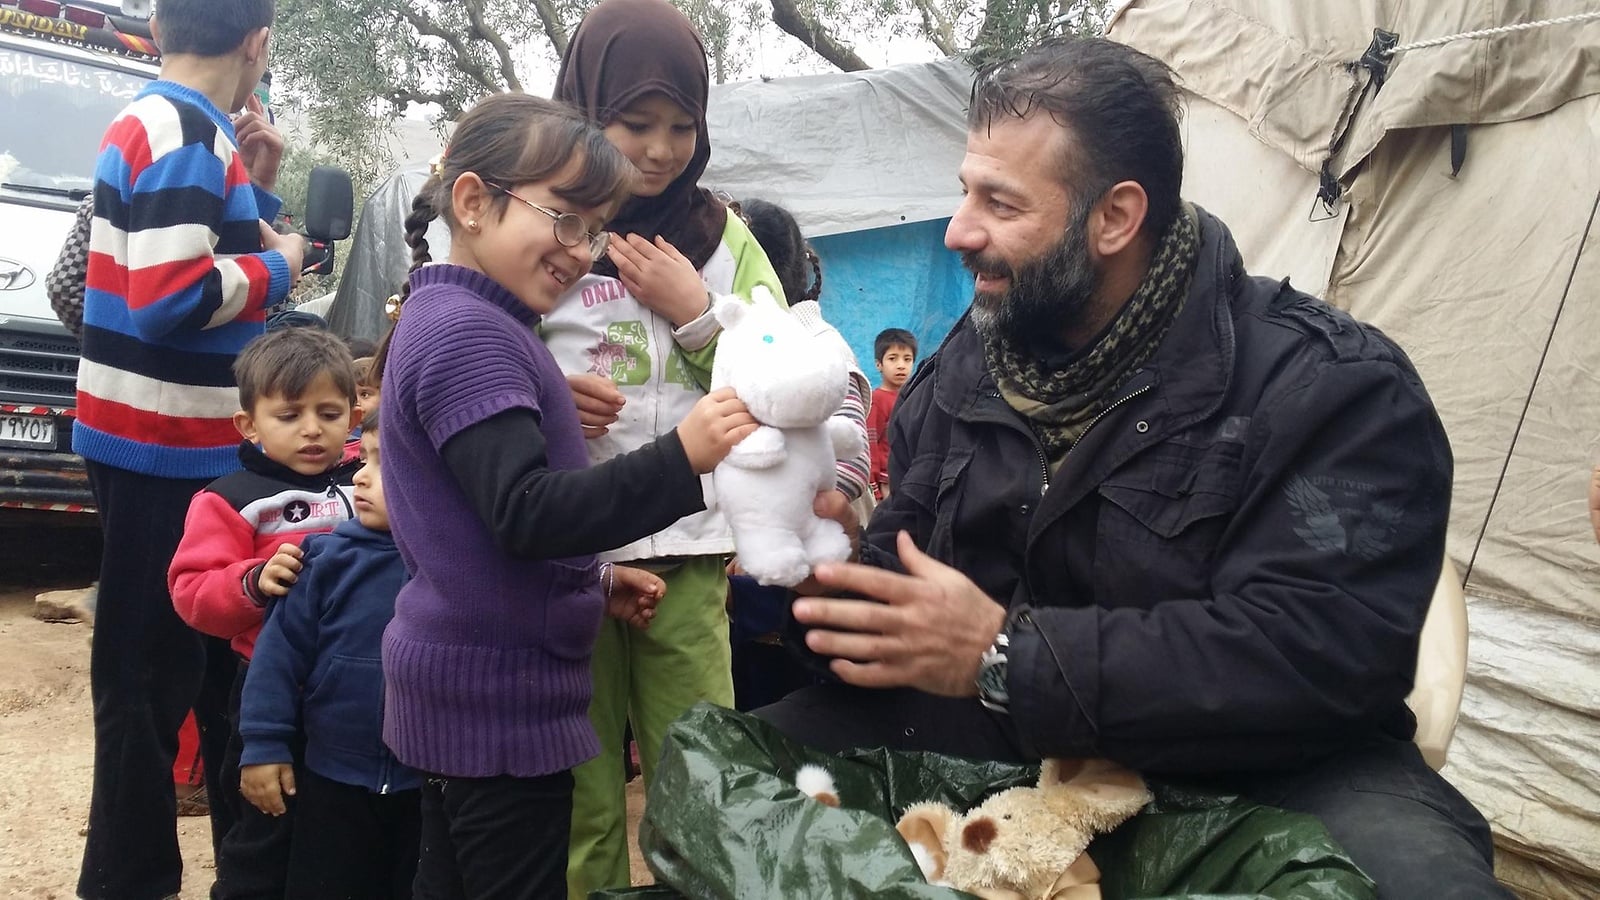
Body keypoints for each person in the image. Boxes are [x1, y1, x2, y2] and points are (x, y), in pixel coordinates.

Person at [758, 36, 1508, 899]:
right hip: (1002, 738)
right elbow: (907, 576)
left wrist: (1006, 658)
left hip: (1271, 771)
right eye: (966, 190)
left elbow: (1318, 656)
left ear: (1114, 218)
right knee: (740, 780)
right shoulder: (969, 361)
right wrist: (819, 578)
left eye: (999, 202)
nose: (960, 230)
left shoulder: (1335, 389)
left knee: (1417, 886)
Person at [374, 92, 757, 900]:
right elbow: (526, 512)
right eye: (566, 219)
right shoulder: (472, 333)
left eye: (596, 229)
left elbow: (470, 529)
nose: (582, 251)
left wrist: (593, 580)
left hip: (470, 690)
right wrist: (679, 459)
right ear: (472, 201)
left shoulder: (459, 316)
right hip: (498, 706)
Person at [541, 3, 788, 895]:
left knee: (704, 776)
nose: (659, 149)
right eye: (635, 122)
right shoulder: (548, 224)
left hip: (687, 549)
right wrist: (543, 393)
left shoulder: (724, 242)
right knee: (580, 788)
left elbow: (794, 372)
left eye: (682, 126)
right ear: (585, 109)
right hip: (567, 556)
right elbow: (475, 341)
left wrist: (697, 314)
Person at [70, 0, 305, 896]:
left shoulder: (159, 121)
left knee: (196, 666)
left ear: (163, 29)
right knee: (149, 680)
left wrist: (259, 194)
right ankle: (127, 880)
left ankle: (231, 872)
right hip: (164, 445)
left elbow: (183, 252)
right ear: (257, 42)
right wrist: (284, 261)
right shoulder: (189, 135)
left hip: (147, 438)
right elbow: (169, 296)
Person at [169, 326, 362, 899]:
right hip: (269, 692)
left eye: (329, 413)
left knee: (342, 832)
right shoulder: (231, 499)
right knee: (266, 828)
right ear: (248, 424)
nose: (312, 429)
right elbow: (191, 592)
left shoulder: (369, 482)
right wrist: (252, 582)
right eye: (289, 415)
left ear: (354, 418)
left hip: (357, 691)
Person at [237, 403, 421, 900]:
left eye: (384, 463)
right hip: (331, 777)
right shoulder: (322, 560)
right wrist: (263, 746)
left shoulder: (453, 569)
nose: (360, 476)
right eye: (364, 458)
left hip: (428, 784)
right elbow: (277, 660)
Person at [865, 328, 917, 500]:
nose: (901, 365)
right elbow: (870, 443)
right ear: (878, 364)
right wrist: (874, 486)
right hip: (887, 482)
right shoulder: (876, 401)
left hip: (911, 477)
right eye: (892, 358)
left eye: (907, 359)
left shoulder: (915, 397)